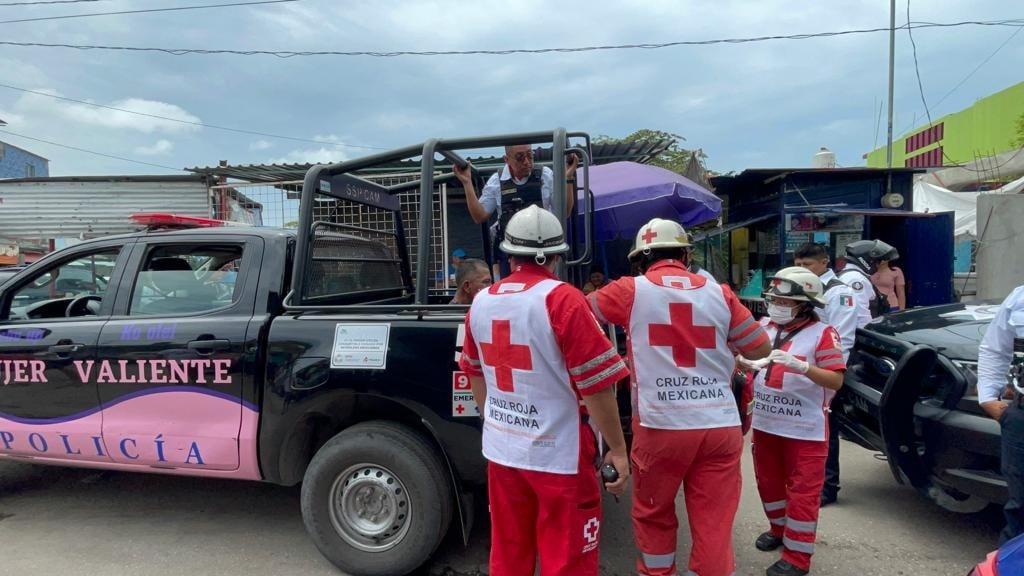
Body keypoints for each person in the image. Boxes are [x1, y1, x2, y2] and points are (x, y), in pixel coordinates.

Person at [589, 218, 771, 576]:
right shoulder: (719, 292)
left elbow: (574, 312)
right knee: (714, 524)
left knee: (654, 515)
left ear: (640, 259)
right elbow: (760, 347)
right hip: (719, 426)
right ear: (687, 254)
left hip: (661, 428)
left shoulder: (629, 290)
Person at [458, 204, 630, 576]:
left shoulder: (481, 302)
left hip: (503, 454)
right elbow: (598, 386)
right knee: (567, 560)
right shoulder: (564, 299)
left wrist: (499, 421)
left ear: (509, 254)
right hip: (561, 458)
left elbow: (473, 372)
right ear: (555, 257)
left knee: (508, 555)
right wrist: (618, 450)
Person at [738, 267, 846, 576]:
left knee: (803, 494)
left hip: (805, 430)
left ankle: (798, 557)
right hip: (767, 424)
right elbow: (742, 355)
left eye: (785, 301)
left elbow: (835, 380)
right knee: (769, 485)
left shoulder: (823, 334)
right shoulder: (764, 327)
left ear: (806, 304)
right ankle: (778, 530)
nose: (777, 305)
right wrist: (743, 361)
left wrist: (802, 367)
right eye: (775, 299)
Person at [793, 243, 862, 507]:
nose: (802, 270)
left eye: (807, 265)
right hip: (801, 369)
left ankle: (828, 486)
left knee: (825, 429)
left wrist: (832, 379)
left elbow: (842, 339)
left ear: (824, 263)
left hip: (826, 371)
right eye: (798, 265)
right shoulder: (799, 287)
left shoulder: (838, 293)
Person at [453, 145, 579, 276]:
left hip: (541, 250)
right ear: (507, 159)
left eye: (530, 155)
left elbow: (565, 212)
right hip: (511, 252)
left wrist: (568, 178)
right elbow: (479, 216)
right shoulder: (497, 181)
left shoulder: (545, 175)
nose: (526, 162)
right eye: (520, 157)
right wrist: (467, 183)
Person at [978, 284, 1024, 544]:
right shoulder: (1020, 297)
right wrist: (987, 397)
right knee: (1018, 511)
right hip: (1020, 418)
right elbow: (996, 348)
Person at [841, 239, 898, 320]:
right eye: (877, 261)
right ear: (868, 260)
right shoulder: (856, 279)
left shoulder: (852, 275)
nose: (878, 266)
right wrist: (868, 332)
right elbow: (861, 316)